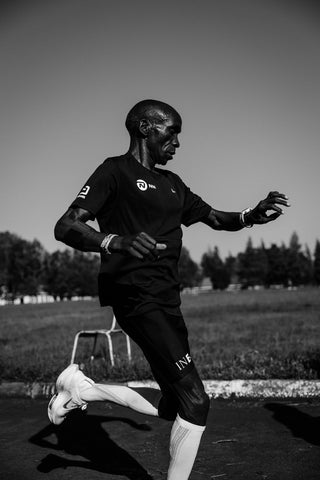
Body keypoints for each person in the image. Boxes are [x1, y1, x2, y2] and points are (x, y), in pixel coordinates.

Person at [48, 99, 290, 479]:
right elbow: (67, 226)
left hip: (166, 299)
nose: (177, 142)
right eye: (171, 131)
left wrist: (249, 216)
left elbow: (214, 217)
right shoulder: (115, 172)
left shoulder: (173, 184)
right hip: (133, 296)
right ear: (146, 127)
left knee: (175, 405)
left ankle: (82, 389)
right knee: (196, 400)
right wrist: (116, 241)